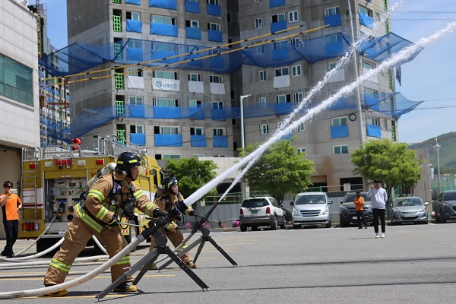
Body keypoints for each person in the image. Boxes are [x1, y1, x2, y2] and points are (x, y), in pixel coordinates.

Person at [43, 152, 174, 297]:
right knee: (70, 249)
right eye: (135, 168)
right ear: (126, 169)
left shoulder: (130, 186)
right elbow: (91, 201)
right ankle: (52, 284)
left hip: (106, 223)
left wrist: (156, 211)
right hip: (86, 220)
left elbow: (143, 201)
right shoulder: (107, 181)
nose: (138, 171)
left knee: (121, 249)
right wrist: (109, 216)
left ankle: (121, 282)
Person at [149, 176, 196, 270]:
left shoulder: (178, 196)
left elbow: (185, 205)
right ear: (168, 188)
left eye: (176, 185)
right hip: (160, 226)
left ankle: (187, 260)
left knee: (180, 241)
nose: (177, 187)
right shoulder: (161, 200)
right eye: (174, 186)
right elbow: (158, 216)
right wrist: (168, 225)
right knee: (156, 244)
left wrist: (190, 211)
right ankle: (150, 263)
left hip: (172, 225)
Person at [0, 181, 22, 258]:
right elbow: (2, 204)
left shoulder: (15, 196)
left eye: (11, 187)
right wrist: (7, 195)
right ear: (5, 187)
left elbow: (20, 203)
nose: (10, 188)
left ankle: (6, 250)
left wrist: (18, 208)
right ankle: (10, 252)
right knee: (9, 236)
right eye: (8, 187)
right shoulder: (3, 196)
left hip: (15, 217)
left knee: (15, 235)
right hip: (7, 218)